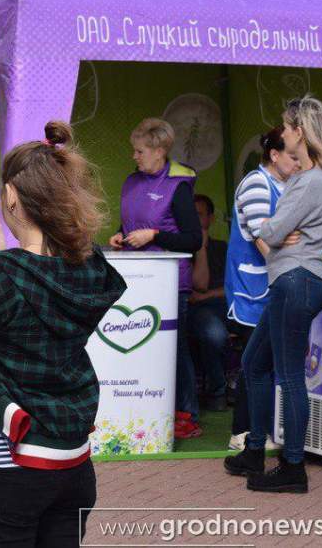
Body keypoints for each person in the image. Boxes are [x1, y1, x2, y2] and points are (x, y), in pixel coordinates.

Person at [0, 121, 127, 547]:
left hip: (2, 469)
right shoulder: (89, 268)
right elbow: (32, 300)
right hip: (72, 465)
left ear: (13, 198)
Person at [225, 96, 322, 493]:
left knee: (290, 375)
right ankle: (256, 451)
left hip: (296, 280)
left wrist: (277, 230)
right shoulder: (310, 180)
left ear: (300, 132)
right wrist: (277, 229)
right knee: (254, 362)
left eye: (287, 127)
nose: (283, 132)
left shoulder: (309, 181)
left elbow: (272, 232)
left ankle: (293, 467)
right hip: (297, 281)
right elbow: (275, 230)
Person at [108, 118, 203, 439]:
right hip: (135, 280)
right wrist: (121, 236)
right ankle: (145, 408)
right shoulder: (131, 182)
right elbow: (130, 225)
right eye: (134, 151)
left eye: (140, 151)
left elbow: (193, 240)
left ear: (160, 150)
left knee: (174, 349)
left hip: (169, 284)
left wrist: (155, 234)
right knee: (143, 350)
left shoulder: (178, 187)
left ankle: (187, 414)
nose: (134, 156)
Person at [224, 127, 298, 451]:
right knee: (254, 363)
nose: (299, 163)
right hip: (251, 290)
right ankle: (242, 432)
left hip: (274, 287)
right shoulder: (256, 183)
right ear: (274, 154)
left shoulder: (290, 186)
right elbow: (262, 236)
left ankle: (262, 431)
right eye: (293, 156)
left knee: (267, 363)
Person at [187, 194, 229, 412]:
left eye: (200, 215)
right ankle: (216, 391)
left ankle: (222, 388)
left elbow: (233, 287)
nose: (195, 219)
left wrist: (205, 296)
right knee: (212, 332)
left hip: (221, 305)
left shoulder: (223, 248)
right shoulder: (181, 249)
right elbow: (198, 285)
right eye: (190, 215)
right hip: (190, 310)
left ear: (211, 219)